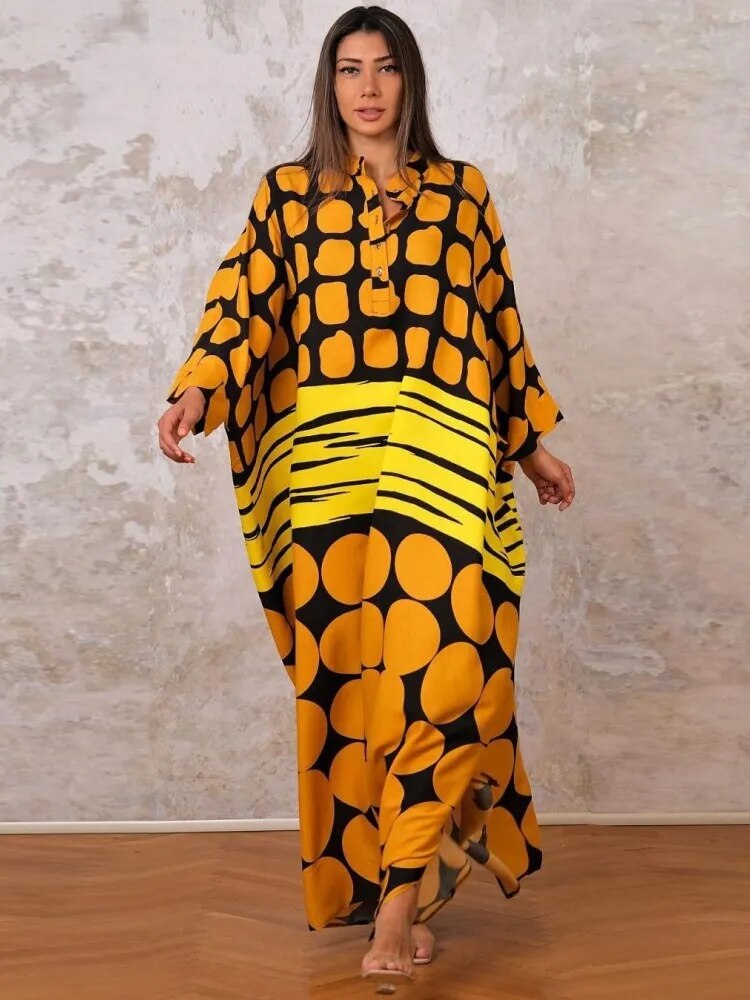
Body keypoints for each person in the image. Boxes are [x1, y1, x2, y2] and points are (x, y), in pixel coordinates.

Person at [157, 4, 575, 992]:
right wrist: (198, 390)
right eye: (350, 69)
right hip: (330, 474)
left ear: (410, 80)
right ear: (330, 84)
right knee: (354, 689)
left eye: (386, 68)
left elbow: (496, 321)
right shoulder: (286, 196)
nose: (369, 87)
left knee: (447, 668)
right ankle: (406, 875)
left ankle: (395, 901)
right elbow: (244, 305)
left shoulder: (464, 193)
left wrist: (529, 444)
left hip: (444, 457)